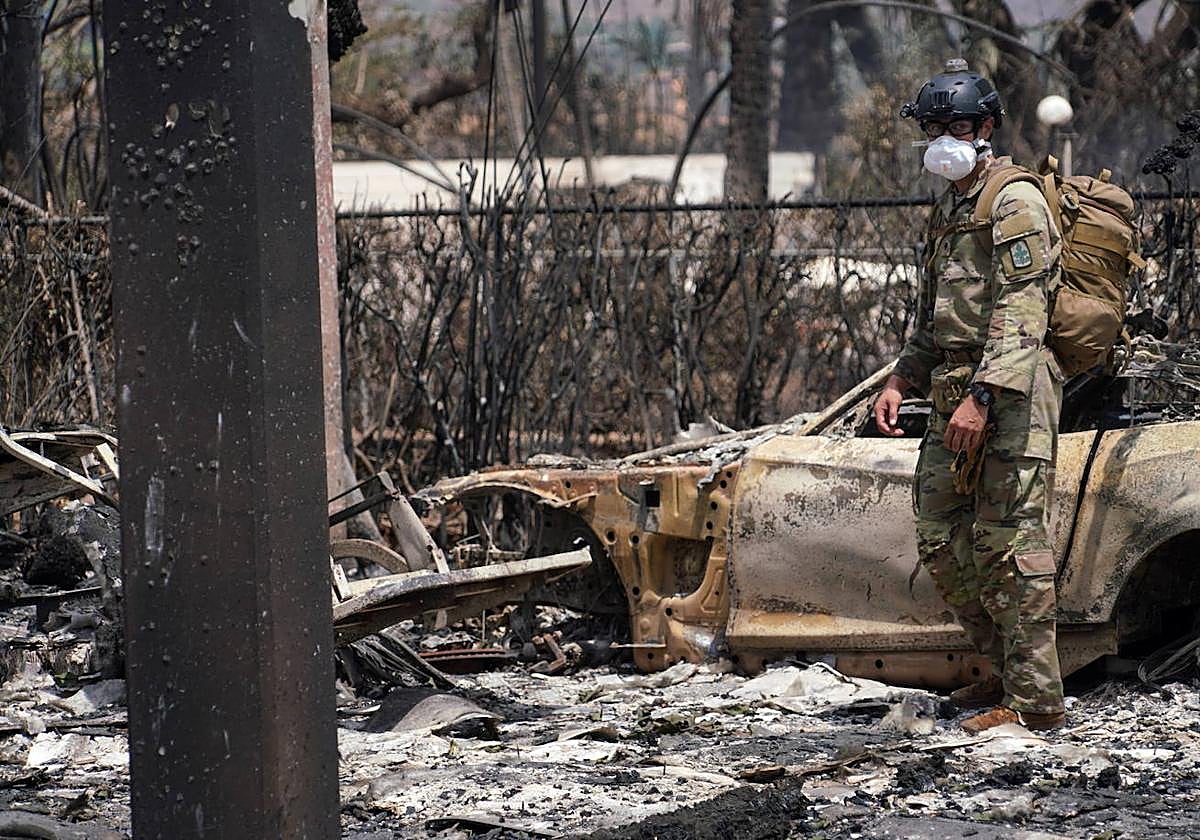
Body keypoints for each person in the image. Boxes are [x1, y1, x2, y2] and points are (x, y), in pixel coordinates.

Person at [873, 59, 1066, 733]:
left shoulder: (1016, 201)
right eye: (931, 129)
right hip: (958, 383)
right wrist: (903, 378)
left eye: (952, 126)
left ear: (985, 127)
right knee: (939, 536)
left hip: (1010, 390)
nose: (940, 140)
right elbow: (936, 316)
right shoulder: (951, 206)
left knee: (1009, 543)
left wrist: (982, 397)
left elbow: (1024, 308)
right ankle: (1005, 675)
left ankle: (1038, 704)